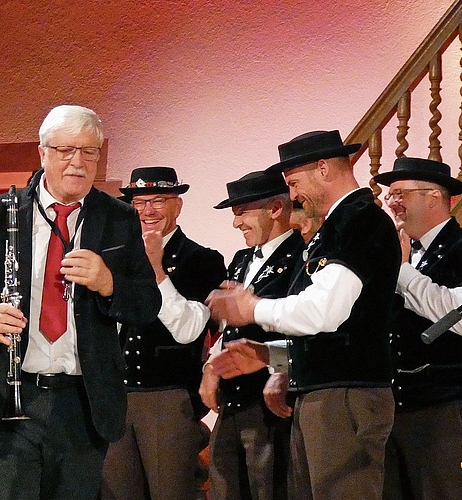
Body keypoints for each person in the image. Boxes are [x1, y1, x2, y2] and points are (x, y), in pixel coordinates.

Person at [0, 104, 160, 500]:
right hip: (9, 397)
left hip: (83, 403)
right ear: (42, 153)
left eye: (89, 151)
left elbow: (146, 303)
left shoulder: (119, 218)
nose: (78, 162)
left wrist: (109, 283)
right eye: (65, 150)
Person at [205, 130, 400, 500]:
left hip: (346, 393)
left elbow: (325, 311)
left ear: (323, 169)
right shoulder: (336, 226)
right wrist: (276, 358)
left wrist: (252, 308)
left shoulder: (359, 220)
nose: (293, 195)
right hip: (323, 391)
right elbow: (329, 329)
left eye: (294, 183)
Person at [374, 157, 462, 500]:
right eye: (390, 195)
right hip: (391, 410)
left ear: (434, 196)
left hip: (447, 412)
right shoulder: (390, 254)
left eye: (400, 193)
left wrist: (404, 272)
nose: (392, 203)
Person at [101, 166, 226, 500]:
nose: (148, 210)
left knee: (171, 492)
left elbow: (190, 329)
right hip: (115, 396)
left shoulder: (201, 260)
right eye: (140, 202)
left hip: (168, 396)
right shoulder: (116, 257)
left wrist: (156, 269)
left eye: (158, 200)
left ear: (177, 205)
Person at [199, 171, 303, 500]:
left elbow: (307, 325)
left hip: (272, 404)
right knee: (225, 486)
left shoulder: (301, 256)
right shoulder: (242, 259)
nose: (236, 224)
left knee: (269, 489)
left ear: (275, 208)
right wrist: (211, 367)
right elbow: (230, 326)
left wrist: (282, 370)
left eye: (243, 212)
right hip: (233, 399)